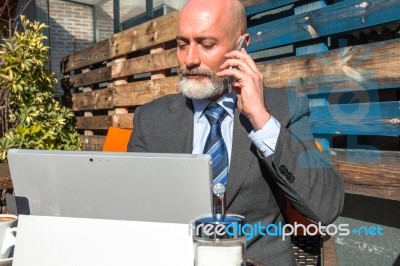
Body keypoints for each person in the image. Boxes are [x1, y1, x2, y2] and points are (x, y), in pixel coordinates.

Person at [128, 0, 344, 264]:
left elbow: (326, 206)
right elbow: (135, 213)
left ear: (242, 46)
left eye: (207, 45)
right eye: (182, 44)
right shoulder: (151, 119)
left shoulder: (284, 108)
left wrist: (262, 120)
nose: (190, 59)